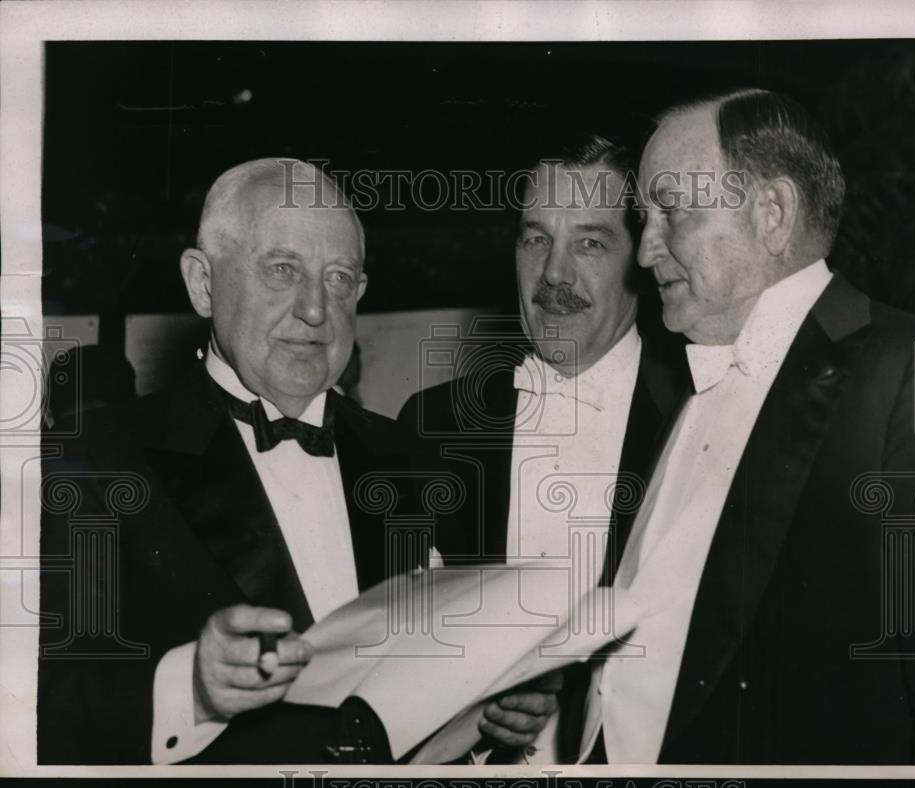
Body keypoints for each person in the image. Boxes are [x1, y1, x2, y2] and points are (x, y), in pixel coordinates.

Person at [37, 158, 553, 764]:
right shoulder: (94, 457)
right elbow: (39, 703)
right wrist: (194, 691)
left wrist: (497, 712)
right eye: (283, 270)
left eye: (339, 278)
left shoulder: (414, 457)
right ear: (202, 283)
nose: (315, 309)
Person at [577, 90, 915, 764]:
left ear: (774, 215)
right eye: (645, 218)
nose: (644, 252)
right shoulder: (677, 391)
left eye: (671, 211)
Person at [398, 135, 687, 762]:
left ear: (641, 257)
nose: (554, 275)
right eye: (536, 239)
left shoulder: (696, 416)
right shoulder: (433, 424)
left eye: (589, 242)